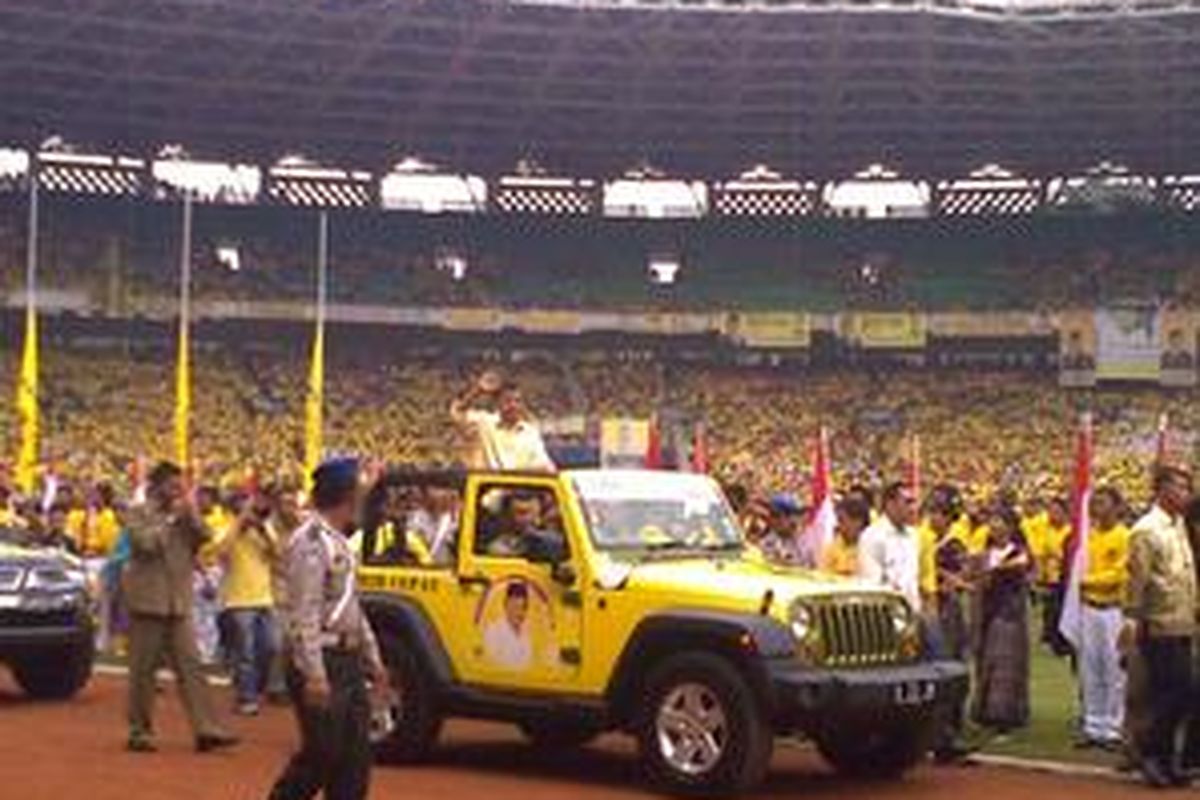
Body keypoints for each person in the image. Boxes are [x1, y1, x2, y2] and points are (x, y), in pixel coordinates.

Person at [270, 458, 390, 800]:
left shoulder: (338, 542)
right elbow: (304, 611)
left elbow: (351, 606)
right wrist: (314, 673)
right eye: (360, 493)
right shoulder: (311, 541)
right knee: (323, 754)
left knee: (355, 761)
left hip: (346, 657)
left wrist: (372, 658)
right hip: (322, 657)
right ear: (348, 496)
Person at [122, 461, 238, 753]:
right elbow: (147, 545)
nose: (177, 491)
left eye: (180, 486)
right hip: (148, 602)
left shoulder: (184, 514)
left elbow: (206, 538)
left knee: (192, 668)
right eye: (172, 485)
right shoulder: (138, 512)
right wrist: (171, 519)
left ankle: (205, 729)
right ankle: (140, 731)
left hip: (178, 602)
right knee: (143, 672)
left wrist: (192, 514)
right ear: (156, 486)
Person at [1123, 465, 1197, 788]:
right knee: (1173, 691)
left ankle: (1166, 760)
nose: (1186, 494)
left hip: (1183, 621)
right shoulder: (1146, 530)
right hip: (1158, 624)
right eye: (1180, 488)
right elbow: (1136, 582)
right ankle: (1151, 754)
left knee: (1179, 692)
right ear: (1162, 489)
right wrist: (1132, 620)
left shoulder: (1178, 524)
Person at [217, 487, 283, 716]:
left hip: (264, 597)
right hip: (238, 599)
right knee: (245, 652)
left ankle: (252, 687)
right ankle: (246, 697)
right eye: (244, 504)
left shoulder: (265, 528)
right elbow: (221, 552)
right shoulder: (226, 527)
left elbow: (278, 555)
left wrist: (261, 530)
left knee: (271, 647)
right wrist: (239, 526)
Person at [1076, 486, 1130, 750]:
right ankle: (1093, 724)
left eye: (1103, 503)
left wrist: (1085, 582)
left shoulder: (1124, 536)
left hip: (1112, 610)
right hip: (1089, 609)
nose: (1096, 508)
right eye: (1094, 503)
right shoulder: (1090, 536)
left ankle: (1114, 727)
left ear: (1117, 507)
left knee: (1114, 668)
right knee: (1090, 667)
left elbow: (1119, 574)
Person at [971, 503, 1032, 735]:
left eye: (1000, 522)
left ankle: (1005, 715)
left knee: (1005, 664)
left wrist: (994, 572)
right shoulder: (984, 554)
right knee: (986, 662)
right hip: (987, 614)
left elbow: (1022, 571)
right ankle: (984, 712)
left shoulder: (1019, 553)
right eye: (993, 522)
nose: (995, 526)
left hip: (1008, 615)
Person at [928, 487, 973, 763]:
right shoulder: (932, 540)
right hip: (938, 606)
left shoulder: (953, 544)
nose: (931, 518)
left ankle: (949, 732)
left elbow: (956, 581)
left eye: (937, 513)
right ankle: (941, 732)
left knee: (949, 665)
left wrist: (937, 575)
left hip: (948, 609)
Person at [450, 370, 554, 471]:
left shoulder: (530, 432)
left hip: (522, 486)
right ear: (497, 404)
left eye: (517, 401)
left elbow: (544, 465)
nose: (513, 406)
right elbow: (458, 411)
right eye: (508, 401)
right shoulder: (486, 423)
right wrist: (478, 390)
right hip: (492, 487)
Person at [858, 482, 921, 611]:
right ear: (890, 504)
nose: (913, 508)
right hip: (887, 614)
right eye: (908, 502)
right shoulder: (873, 536)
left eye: (914, 502)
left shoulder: (913, 535)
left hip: (912, 614)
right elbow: (871, 585)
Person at [482, 581, 534, 670]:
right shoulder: (494, 631)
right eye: (515, 607)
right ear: (506, 605)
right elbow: (494, 664)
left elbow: (527, 664)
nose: (519, 613)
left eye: (523, 607)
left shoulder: (525, 633)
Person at [819, 497, 868, 576]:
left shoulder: (871, 547)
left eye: (842, 520)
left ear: (858, 522)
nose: (839, 525)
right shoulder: (831, 548)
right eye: (838, 520)